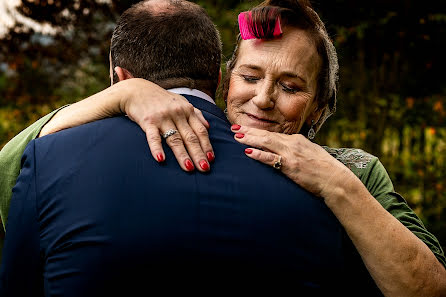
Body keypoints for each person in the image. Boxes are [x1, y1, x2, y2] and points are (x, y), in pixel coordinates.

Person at [0, 0, 445, 296]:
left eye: (290, 86)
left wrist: (338, 185)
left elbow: (429, 288)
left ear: (319, 109)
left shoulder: (354, 171)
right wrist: (121, 97)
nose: (263, 98)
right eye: (250, 77)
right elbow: (11, 164)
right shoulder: (166, 135)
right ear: (222, 79)